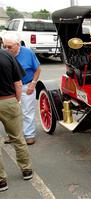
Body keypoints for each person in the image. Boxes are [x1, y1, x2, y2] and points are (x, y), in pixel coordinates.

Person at [0, 49, 33, 192]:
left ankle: (1, 181)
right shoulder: (6, 55)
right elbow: (18, 83)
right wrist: (17, 100)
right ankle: (26, 170)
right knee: (18, 138)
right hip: (8, 101)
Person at [3, 33, 41, 145]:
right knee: (9, 113)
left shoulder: (28, 53)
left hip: (26, 86)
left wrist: (33, 83)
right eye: (4, 46)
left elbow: (38, 69)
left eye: (10, 47)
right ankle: (12, 135)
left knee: (27, 112)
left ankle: (29, 135)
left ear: (18, 44)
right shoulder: (3, 53)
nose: (6, 49)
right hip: (8, 88)